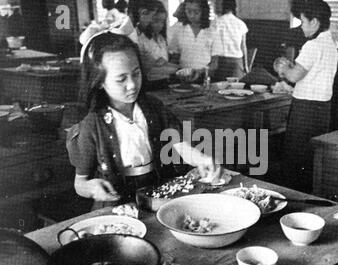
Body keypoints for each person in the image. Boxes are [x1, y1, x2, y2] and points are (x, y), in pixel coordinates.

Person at [67, 32, 222, 209]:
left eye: (136, 73)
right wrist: (92, 189)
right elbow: (80, 183)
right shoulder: (92, 124)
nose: (132, 84)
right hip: (117, 206)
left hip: (159, 195)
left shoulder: (153, 107)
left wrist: (200, 159)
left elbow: (182, 147)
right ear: (99, 81)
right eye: (121, 79)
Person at [275, 0, 338, 193]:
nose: (301, 26)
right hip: (322, 110)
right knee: (311, 158)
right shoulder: (331, 45)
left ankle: (293, 197)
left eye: (302, 21)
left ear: (315, 22)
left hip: (305, 110)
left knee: (296, 157)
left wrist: (282, 66)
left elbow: (294, 76)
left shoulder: (313, 45)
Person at [169, 0, 222, 82]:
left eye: (196, 12)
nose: (192, 15)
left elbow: (214, 63)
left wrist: (200, 72)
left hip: (203, 77)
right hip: (183, 77)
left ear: (203, 11)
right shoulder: (179, 30)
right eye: (188, 11)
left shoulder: (212, 31)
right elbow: (175, 57)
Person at [136, 1, 178, 89]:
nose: (160, 25)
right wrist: (177, 69)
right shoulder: (141, 40)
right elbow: (148, 70)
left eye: (162, 22)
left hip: (166, 82)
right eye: (156, 21)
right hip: (151, 85)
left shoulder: (161, 39)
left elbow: (164, 63)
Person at [213, 0, 248, 81]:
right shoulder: (241, 24)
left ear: (223, 7)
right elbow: (243, 47)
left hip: (221, 61)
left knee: (220, 89)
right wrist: (246, 66)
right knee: (236, 90)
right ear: (235, 8)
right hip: (237, 62)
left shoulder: (216, 22)